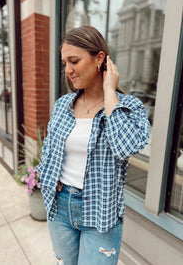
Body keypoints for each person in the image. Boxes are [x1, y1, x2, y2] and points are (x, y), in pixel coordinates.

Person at [36, 25, 150, 265]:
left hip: (101, 212)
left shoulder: (130, 106)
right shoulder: (63, 104)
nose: (68, 70)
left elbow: (124, 148)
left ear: (99, 58)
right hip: (60, 206)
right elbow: (49, 146)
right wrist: (48, 176)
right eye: (65, 63)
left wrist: (110, 92)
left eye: (74, 61)